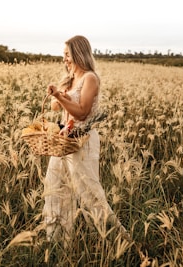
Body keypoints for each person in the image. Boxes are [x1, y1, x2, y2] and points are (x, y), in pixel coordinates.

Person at [42, 35, 132, 245]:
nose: (64, 59)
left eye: (67, 55)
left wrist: (60, 97)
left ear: (78, 54)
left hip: (82, 142)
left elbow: (82, 113)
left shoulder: (90, 78)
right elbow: (56, 108)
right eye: (63, 55)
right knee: (55, 188)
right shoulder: (70, 79)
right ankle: (57, 242)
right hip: (63, 141)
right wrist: (56, 93)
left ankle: (118, 241)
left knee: (89, 194)